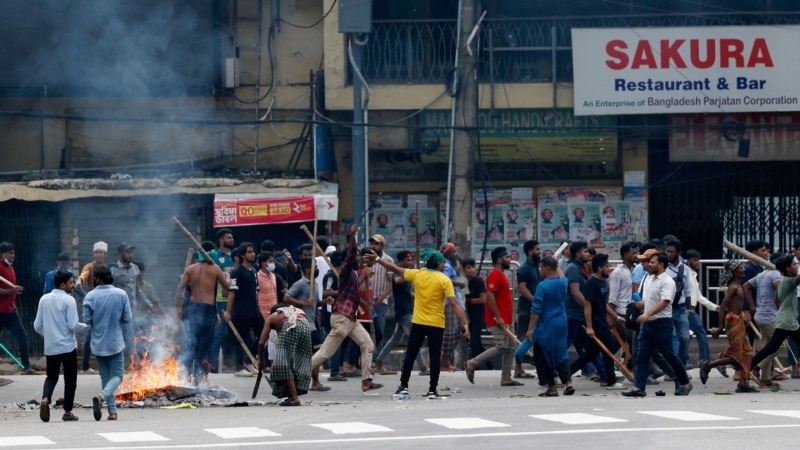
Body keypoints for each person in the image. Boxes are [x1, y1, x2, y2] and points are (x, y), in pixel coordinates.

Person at [367, 248, 470, 399]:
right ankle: (432, 390)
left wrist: (377, 260)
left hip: (418, 321)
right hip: (436, 323)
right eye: (443, 262)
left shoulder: (418, 274)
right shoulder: (444, 280)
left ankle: (403, 386)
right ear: (439, 264)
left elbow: (394, 268)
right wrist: (465, 323)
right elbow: (454, 303)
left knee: (410, 354)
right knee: (435, 356)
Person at [310, 224, 383, 393]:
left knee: (367, 345)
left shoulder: (353, 275)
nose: (359, 259)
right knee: (325, 353)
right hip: (342, 317)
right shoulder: (345, 271)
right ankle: (293, 374)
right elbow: (351, 255)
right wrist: (353, 236)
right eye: (357, 257)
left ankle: (366, 381)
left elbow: (356, 292)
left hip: (350, 318)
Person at [622, 252, 693, 397]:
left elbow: (665, 301)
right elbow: (651, 300)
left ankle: (685, 382)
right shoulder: (649, 279)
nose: (649, 264)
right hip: (647, 325)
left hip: (662, 324)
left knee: (670, 355)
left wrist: (647, 313)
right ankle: (639, 387)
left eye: (653, 262)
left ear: (661, 264)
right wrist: (641, 306)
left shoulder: (667, 281)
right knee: (641, 356)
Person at [34, 270, 90, 422]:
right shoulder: (68, 300)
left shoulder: (44, 299)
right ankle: (67, 412)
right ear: (63, 284)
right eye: (71, 282)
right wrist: (87, 327)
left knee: (51, 377)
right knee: (70, 379)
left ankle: (46, 398)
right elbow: (73, 325)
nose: (73, 285)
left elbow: (37, 326)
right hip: (67, 347)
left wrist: (48, 333)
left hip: (51, 347)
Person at [567, 253, 624, 389]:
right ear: (599, 268)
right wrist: (590, 327)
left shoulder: (603, 282)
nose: (609, 269)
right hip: (596, 324)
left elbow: (603, 304)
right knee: (608, 349)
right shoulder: (591, 284)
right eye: (606, 266)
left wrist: (616, 317)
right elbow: (587, 306)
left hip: (602, 322)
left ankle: (566, 374)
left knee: (590, 354)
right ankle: (610, 380)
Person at [83, 265, 132, 421]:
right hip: (115, 342)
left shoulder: (89, 296)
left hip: (98, 344)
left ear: (97, 278)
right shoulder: (121, 294)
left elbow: (87, 321)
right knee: (117, 375)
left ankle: (112, 412)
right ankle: (102, 397)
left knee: (105, 377)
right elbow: (127, 318)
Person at [466, 247, 519, 387]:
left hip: (507, 318)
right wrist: (498, 317)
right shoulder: (495, 274)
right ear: (499, 259)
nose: (510, 259)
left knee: (511, 347)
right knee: (502, 347)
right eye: (507, 257)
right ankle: (473, 363)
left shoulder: (501, 275)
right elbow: (490, 296)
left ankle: (506, 378)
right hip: (498, 319)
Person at [174, 251, 229, 384]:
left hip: (193, 308)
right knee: (205, 345)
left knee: (193, 343)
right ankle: (200, 377)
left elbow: (179, 289)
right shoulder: (215, 268)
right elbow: (227, 289)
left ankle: (185, 374)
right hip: (207, 309)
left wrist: (177, 307)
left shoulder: (190, 269)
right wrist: (227, 276)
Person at [701, 260, 755, 392]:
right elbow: (723, 307)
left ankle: (743, 383)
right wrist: (720, 327)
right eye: (741, 268)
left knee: (747, 353)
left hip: (739, 320)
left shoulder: (739, 286)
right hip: (733, 322)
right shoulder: (733, 288)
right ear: (734, 272)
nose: (744, 270)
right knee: (737, 355)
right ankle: (708, 365)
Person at [525, 256, 574, 397]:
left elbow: (536, 310)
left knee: (542, 354)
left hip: (547, 324)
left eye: (541, 268)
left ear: (547, 268)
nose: (540, 270)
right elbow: (563, 276)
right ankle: (568, 382)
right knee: (561, 352)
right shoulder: (563, 283)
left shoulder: (543, 286)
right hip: (561, 322)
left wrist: (530, 329)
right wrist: (556, 263)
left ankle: (551, 387)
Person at [749, 255, 800, 387]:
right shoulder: (789, 281)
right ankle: (750, 366)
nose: (797, 266)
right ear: (788, 269)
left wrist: (784, 311)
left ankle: (751, 366)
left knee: (770, 348)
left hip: (787, 320)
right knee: (771, 348)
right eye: (794, 264)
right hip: (787, 323)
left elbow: (776, 300)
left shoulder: (783, 280)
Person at [373, 250, 427, 373]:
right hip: (403, 312)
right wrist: (413, 274)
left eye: (411, 260)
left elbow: (408, 293)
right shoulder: (399, 273)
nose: (410, 262)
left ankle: (378, 363)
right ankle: (423, 367)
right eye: (407, 260)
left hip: (406, 310)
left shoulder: (408, 274)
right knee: (414, 338)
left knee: (394, 340)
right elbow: (396, 281)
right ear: (401, 262)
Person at [284, 257, 328, 392]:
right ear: (308, 269)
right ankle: (313, 381)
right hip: (304, 324)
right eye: (315, 267)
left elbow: (314, 303)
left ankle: (312, 381)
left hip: (313, 323)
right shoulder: (301, 284)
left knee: (312, 353)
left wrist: (325, 302)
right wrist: (303, 304)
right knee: (318, 351)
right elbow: (286, 297)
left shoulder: (314, 284)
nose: (317, 269)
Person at [258, 304, 313, 406]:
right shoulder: (289, 312)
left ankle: (294, 397)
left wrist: (261, 360)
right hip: (306, 324)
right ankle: (291, 396)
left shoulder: (270, 318)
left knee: (283, 363)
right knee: (299, 360)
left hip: (291, 325)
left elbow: (261, 342)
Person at [224, 242, 265, 377]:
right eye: (249, 252)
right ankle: (238, 367)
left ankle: (248, 359)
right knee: (240, 339)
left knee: (264, 333)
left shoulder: (254, 271)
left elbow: (256, 293)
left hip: (254, 310)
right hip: (241, 311)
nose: (252, 254)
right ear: (242, 255)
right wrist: (228, 312)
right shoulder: (236, 273)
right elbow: (231, 293)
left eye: (253, 251)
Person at [743, 255, 784, 387]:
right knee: (779, 345)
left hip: (761, 315)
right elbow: (780, 292)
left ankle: (765, 379)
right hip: (769, 316)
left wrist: (752, 305)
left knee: (768, 346)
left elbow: (746, 286)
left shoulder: (762, 274)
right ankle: (757, 367)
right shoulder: (776, 275)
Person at [685, 249, 726, 376]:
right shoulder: (685, 273)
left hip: (690, 308)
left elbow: (699, 296)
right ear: (688, 260)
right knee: (699, 334)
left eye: (698, 260)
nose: (697, 262)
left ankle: (699, 361)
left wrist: (715, 307)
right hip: (687, 308)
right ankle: (705, 361)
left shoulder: (692, 275)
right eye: (694, 260)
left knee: (687, 336)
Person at [111, 242, 152, 366]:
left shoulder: (135, 269)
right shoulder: (113, 270)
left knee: (133, 338)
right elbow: (109, 290)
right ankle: (136, 365)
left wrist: (148, 303)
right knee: (124, 339)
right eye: (127, 252)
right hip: (118, 312)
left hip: (132, 311)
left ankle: (135, 364)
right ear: (120, 254)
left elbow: (137, 290)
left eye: (131, 252)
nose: (130, 254)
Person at [0, 242, 34, 374]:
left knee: (23, 337)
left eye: (13, 253)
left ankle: (25, 367)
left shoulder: (10, 268)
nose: (13, 255)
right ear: (3, 254)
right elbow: (8, 291)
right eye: (10, 253)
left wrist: (14, 305)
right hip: (0, 311)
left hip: (10, 311)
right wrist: (11, 291)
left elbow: (11, 292)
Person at [77, 241, 107, 373]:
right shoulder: (89, 267)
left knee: (105, 335)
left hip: (105, 305)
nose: (98, 255)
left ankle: (104, 365)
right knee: (91, 335)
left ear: (105, 254)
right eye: (96, 252)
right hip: (94, 307)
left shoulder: (107, 269)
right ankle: (85, 366)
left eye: (101, 252)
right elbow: (82, 277)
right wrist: (80, 283)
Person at [608, 242, 638, 369]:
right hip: (621, 313)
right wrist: (611, 316)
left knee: (614, 344)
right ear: (625, 255)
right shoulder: (617, 273)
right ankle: (641, 371)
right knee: (634, 341)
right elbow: (612, 297)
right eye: (634, 253)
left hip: (630, 311)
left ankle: (602, 370)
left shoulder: (635, 270)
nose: (637, 255)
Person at [514, 240, 541, 379]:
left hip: (537, 310)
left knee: (538, 338)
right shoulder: (524, 268)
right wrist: (535, 301)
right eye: (537, 249)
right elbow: (522, 288)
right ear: (530, 251)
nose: (539, 252)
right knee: (522, 338)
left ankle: (540, 367)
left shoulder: (537, 266)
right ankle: (518, 369)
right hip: (527, 309)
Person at [210, 229, 235, 373]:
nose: (232, 239)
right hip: (220, 299)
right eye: (228, 237)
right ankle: (212, 363)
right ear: (221, 240)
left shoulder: (235, 256)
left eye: (232, 237)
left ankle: (232, 363)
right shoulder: (215, 257)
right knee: (220, 332)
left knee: (233, 332)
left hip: (235, 298)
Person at [664, 239, 691, 367]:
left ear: (679, 253)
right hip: (667, 308)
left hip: (681, 309)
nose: (669, 254)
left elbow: (687, 290)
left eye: (672, 252)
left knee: (685, 338)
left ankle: (682, 364)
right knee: (672, 339)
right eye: (667, 251)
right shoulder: (663, 267)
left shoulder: (684, 268)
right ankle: (674, 368)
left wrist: (689, 309)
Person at [440, 243, 466, 371]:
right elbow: (444, 280)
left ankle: (445, 359)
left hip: (456, 302)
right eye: (453, 251)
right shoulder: (445, 265)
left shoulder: (451, 265)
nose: (455, 253)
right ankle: (444, 361)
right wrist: (459, 283)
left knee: (460, 332)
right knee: (450, 333)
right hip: (449, 303)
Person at [368, 234, 393, 359]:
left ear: (382, 246)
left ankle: (377, 360)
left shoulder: (388, 260)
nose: (373, 246)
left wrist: (383, 296)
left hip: (379, 300)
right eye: (372, 243)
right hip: (366, 300)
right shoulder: (367, 258)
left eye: (376, 243)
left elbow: (391, 283)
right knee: (365, 332)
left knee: (379, 331)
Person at [463, 258, 489, 368]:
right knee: (477, 343)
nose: (472, 270)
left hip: (478, 315)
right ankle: (489, 365)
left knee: (474, 342)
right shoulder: (462, 281)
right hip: (467, 316)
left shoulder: (478, 281)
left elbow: (483, 299)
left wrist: (468, 301)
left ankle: (475, 366)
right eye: (468, 268)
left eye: (473, 267)